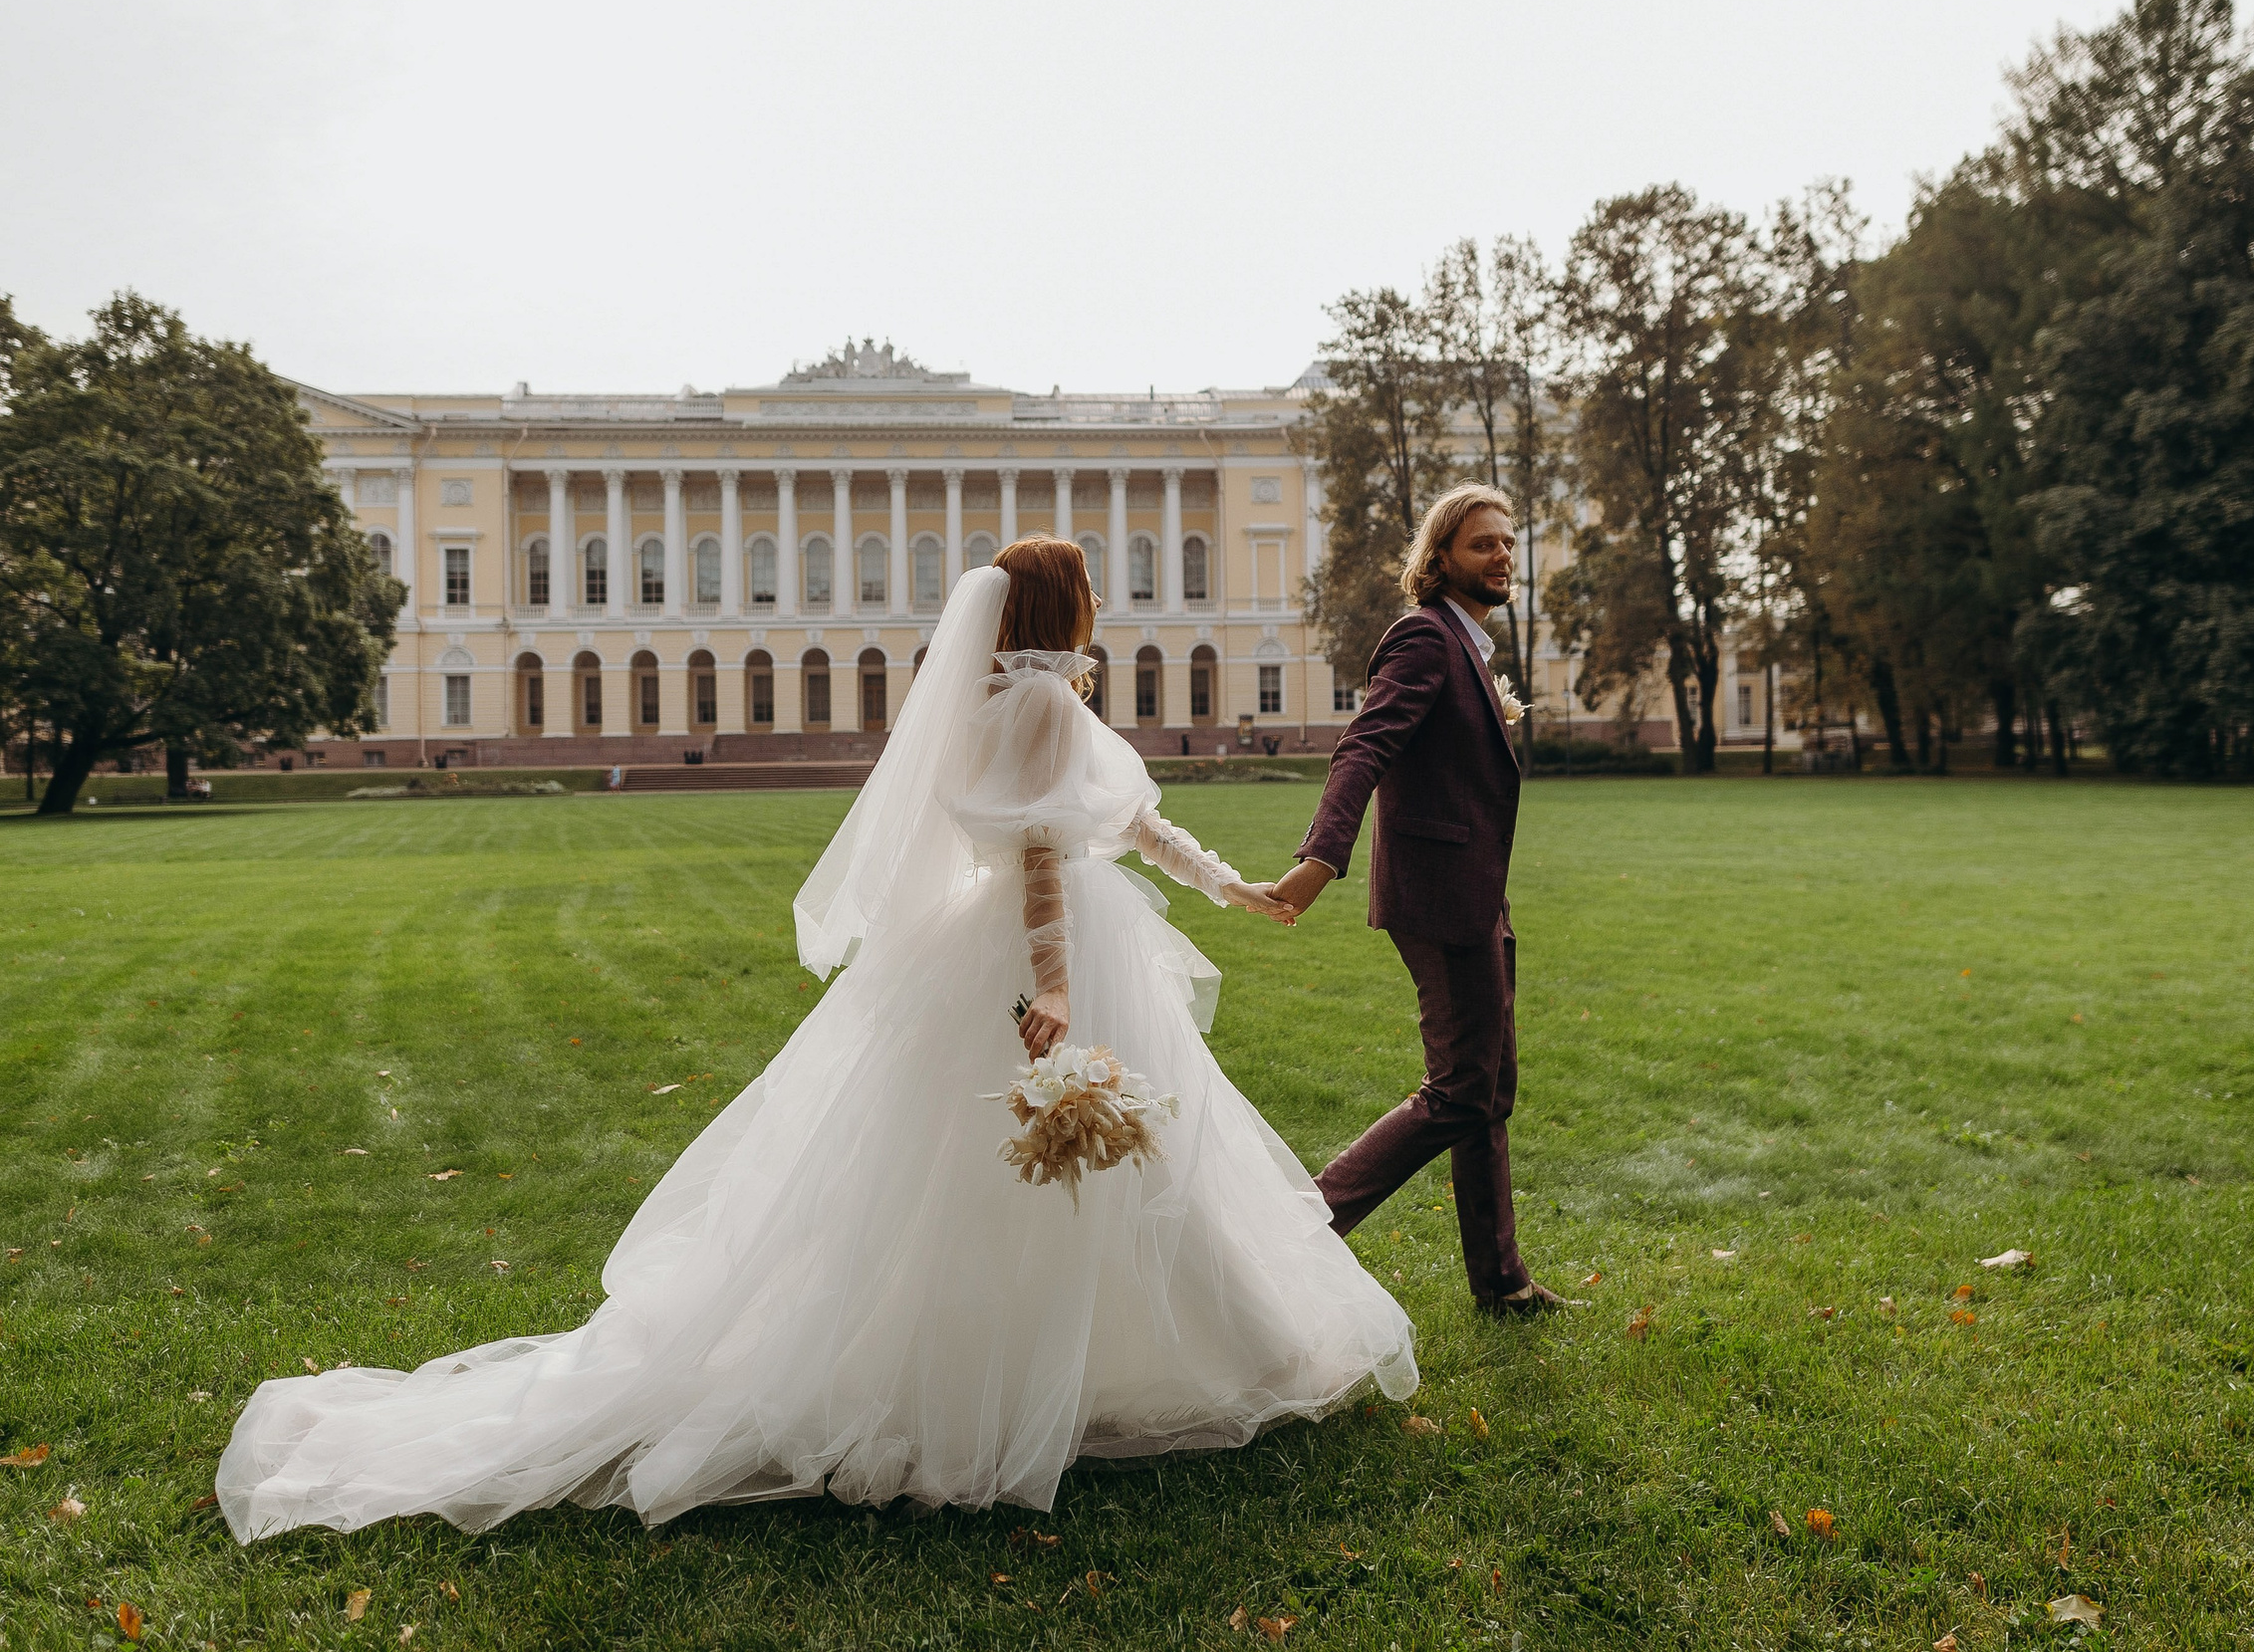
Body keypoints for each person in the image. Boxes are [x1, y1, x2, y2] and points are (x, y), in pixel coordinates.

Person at [216, 537, 1414, 1540]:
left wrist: (1232, 888)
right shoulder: (1045, 702)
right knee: (1098, 1158)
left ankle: (1058, 1359)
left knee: (974, 1168)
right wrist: (1053, 982)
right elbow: (1046, 848)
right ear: (1065, 604)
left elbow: (1130, 821)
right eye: (1089, 586)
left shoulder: (1002, 698)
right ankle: (1151, 1359)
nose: (1103, 598)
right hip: (1042, 946)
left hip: (992, 939)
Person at [1271, 484, 1577, 1317]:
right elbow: (1362, 747)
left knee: (1489, 1087)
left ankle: (1503, 1282)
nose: (1501, 555)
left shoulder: (1466, 643)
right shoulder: (1425, 636)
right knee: (1460, 1087)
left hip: (1475, 891)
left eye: (1507, 542)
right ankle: (1295, 1228)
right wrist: (1321, 857)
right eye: (1482, 544)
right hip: (1439, 898)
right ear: (1440, 557)